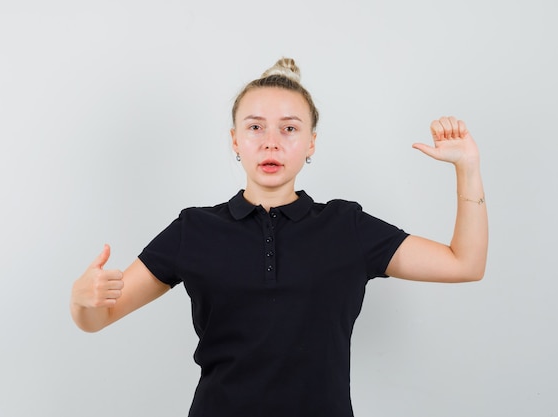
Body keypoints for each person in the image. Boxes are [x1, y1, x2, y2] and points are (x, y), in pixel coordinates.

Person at [70, 57, 488, 417]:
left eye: (289, 129)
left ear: (311, 143)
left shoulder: (347, 227)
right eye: (255, 127)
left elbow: (464, 264)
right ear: (235, 139)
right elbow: (98, 318)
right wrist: (81, 300)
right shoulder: (194, 230)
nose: (271, 142)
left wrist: (467, 166)